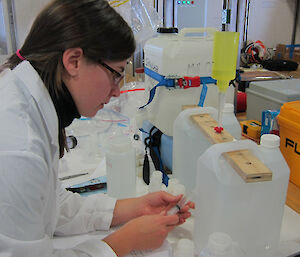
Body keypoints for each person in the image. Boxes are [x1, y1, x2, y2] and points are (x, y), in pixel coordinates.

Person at [0, 0, 194, 256]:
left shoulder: (32, 102)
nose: (117, 91)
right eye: (115, 73)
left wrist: (134, 207)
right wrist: (127, 240)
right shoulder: (18, 146)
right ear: (74, 61)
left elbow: (50, 203)